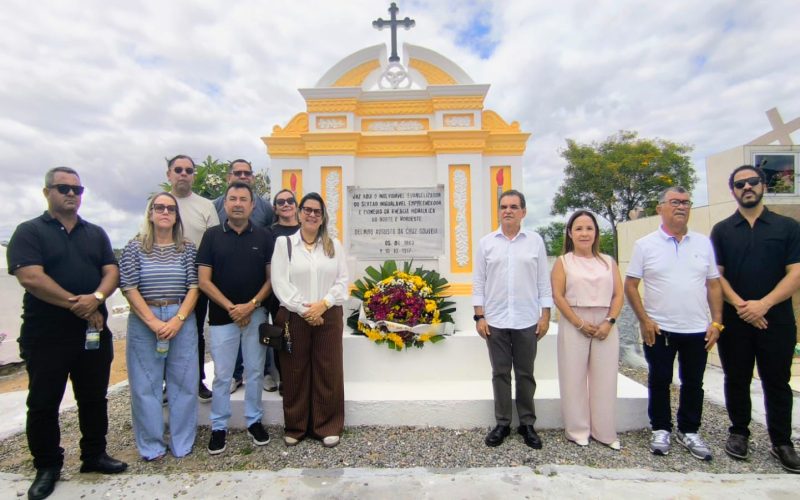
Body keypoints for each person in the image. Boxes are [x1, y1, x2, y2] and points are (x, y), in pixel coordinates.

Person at [7, 167, 127, 500]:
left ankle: (93, 455)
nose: (71, 194)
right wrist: (79, 304)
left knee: (93, 397)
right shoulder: (29, 231)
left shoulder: (95, 233)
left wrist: (98, 298)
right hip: (47, 334)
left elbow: (111, 271)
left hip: (92, 332)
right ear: (47, 192)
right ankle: (47, 466)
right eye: (63, 188)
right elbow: (31, 277)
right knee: (44, 402)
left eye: (77, 189)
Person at [710, 165, 800, 473]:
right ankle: (738, 433)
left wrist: (764, 304)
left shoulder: (787, 227)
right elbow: (716, 276)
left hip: (777, 320)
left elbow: (796, 272)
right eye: (740, 184)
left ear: (762, 185)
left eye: (752, 182)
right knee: (736, 378)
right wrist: (741, 306)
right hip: (736, 321)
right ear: (732, 190)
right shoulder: (722, 230)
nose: (746, 187)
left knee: (777, 381)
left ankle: (782, 442)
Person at [624, 187, 722, 461]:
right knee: (659, 379)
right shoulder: (645, 245)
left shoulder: (703, 243)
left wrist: (717, 322)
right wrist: (644, 319)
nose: (681, 206)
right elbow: (631, 285)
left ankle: (689, 430)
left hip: (697, 328)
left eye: (685, 202)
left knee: (693, 382)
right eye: (675, 202)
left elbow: (713, 284)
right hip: (660, 328)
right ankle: (661, 428)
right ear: (660, 208)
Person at [119, 192, 199, 461]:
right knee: (145, 384)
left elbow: (194, 286)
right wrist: (153, 321)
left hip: (181, 315)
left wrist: (178, 320)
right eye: (159, 207)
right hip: (145, 317)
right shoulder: (134, 247)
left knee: (184, 382)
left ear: (177, 216)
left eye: (170, 208)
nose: (165, 212)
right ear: (150, 213)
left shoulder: (186, 248)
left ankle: (182, 442)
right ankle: (152, 445)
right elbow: (128, 287)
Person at [197, 181, 274, 455]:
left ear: (252, 205)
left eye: (244, 199)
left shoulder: (265, 236)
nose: (238, 203)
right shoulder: (212, 236)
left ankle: (254, 420)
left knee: (254, 371)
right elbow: (204, 281)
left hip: (255, 316)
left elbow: (270, 279)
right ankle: (219, 426)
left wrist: (250, 306)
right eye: (233, 199)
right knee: (222, 375)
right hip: (222, 318)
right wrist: (233, 307)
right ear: (225, 203)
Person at [472, 189, 552, 449]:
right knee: (500, 373)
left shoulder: (535, 242)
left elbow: (543, 281)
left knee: (526, 373)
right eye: (504, 206)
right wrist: (479, 316)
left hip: (527, 320)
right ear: (499, 211)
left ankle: (527, 423)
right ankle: (503, 422)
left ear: (523, 212)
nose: (508, 210)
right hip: (495, 320)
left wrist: (545, 314)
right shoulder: (486, 243)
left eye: (514, 207)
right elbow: (478, 283)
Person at [271, 192, 349, 448]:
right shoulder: (285, 244)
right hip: (295, 316)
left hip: (328, 315)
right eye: (307, 209)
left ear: (323, 216)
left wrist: (323, 305)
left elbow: (342, 281)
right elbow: (280, 282)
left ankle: (326, 425)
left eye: (317, 211)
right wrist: (305, 310)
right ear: (299, 212)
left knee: (328, 370)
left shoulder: (333, 245)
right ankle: (296, 426)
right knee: (295, 371)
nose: (312, 214)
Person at [551, 210, 623, 449]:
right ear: (570, 233)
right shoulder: (564, 262)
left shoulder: (608, 262)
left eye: (589, 228)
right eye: (579, 229)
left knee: (605, 378)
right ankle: (578, 429)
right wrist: (579, 323)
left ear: (596, 233)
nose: (584, 233)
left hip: (604, 322)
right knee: (573, 377)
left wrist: (609, 321)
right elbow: (558, 296)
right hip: (575, 321)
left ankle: (604, 431)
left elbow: (618, 294)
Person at [212, 159, 275, 395]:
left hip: (258, 287)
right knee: (230, 338)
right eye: (237, 172)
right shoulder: (216, 205)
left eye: (247, 173)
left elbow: (272, 232)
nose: (242, 176)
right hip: (225, 288)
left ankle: (266, 372)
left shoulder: (265, 207)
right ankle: (236, 375)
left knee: (260, 334)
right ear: (229, 177)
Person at [166, 154, 219, 402]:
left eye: (188, 170)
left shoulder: (205, 206)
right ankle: (168, 383)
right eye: (178, 169)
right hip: (164, 282)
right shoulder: (160, 204)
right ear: (169, 174)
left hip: (196, 282)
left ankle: (197, 381)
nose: (183, 174)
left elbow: (213, 244)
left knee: (194, 332)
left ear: (194, 175)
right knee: (165, 331)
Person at [263, 188, 301, 393]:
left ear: (296, 205)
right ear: (275, 208)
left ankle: (301, 377)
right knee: (281, 336)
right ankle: (284, 378)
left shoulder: (306, 229)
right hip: (277, 295)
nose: (286, 204)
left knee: (301, 336)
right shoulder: (269, 233)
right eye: (281, 202)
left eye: (290, 200)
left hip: (304, 292)